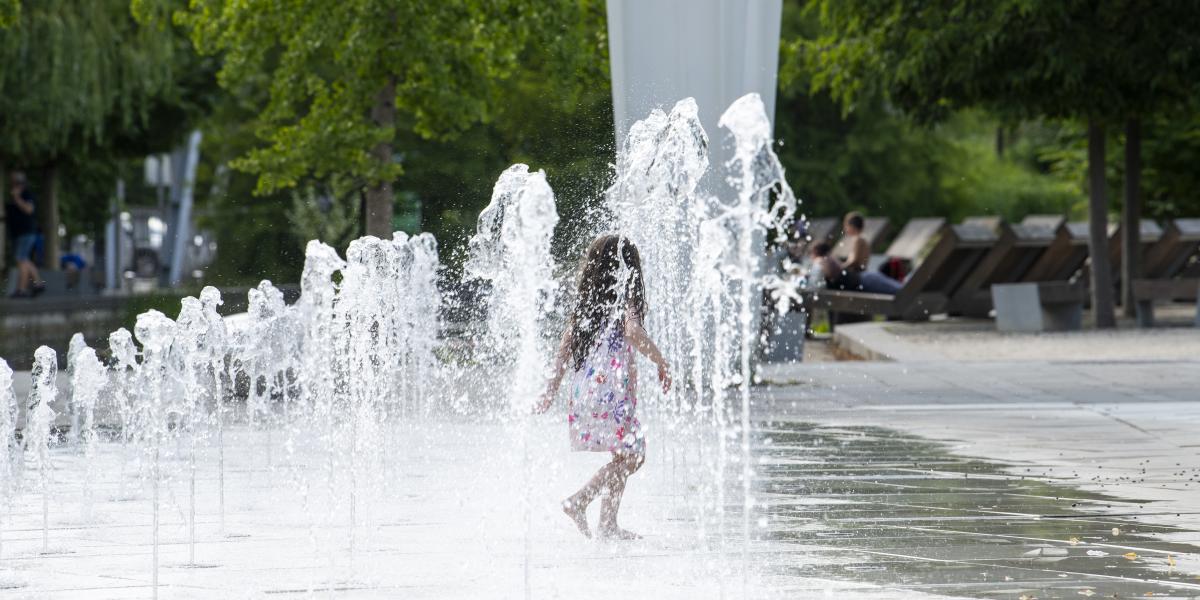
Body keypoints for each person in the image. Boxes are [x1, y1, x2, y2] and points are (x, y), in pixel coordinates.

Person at [537, 234, 671, 540]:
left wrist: (549, 391)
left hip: (586, 393)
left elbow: (563, 349)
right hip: (611, 393)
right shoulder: (627, 297)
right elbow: (634, 332)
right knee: (634, 456)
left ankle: (608, 524)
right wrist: (661, 361)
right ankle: (579, 501)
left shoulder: (588, 305)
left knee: (623, 457)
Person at [6, 171, 45, 298]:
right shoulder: (15, 197)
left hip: (26, 232)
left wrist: (17, 198)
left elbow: (29, 209)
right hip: (20, 233)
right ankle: (38, 283)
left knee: (21, 259)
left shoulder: (26, 194)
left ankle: (21, 290)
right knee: (25, 259)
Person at [811, 241, 901, 295]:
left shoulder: (821, 260)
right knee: (900, 289)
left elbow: (823, 276)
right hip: (865, 278)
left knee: (900, 292)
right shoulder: (830, 258)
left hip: (864, 281)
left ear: (815, 252)